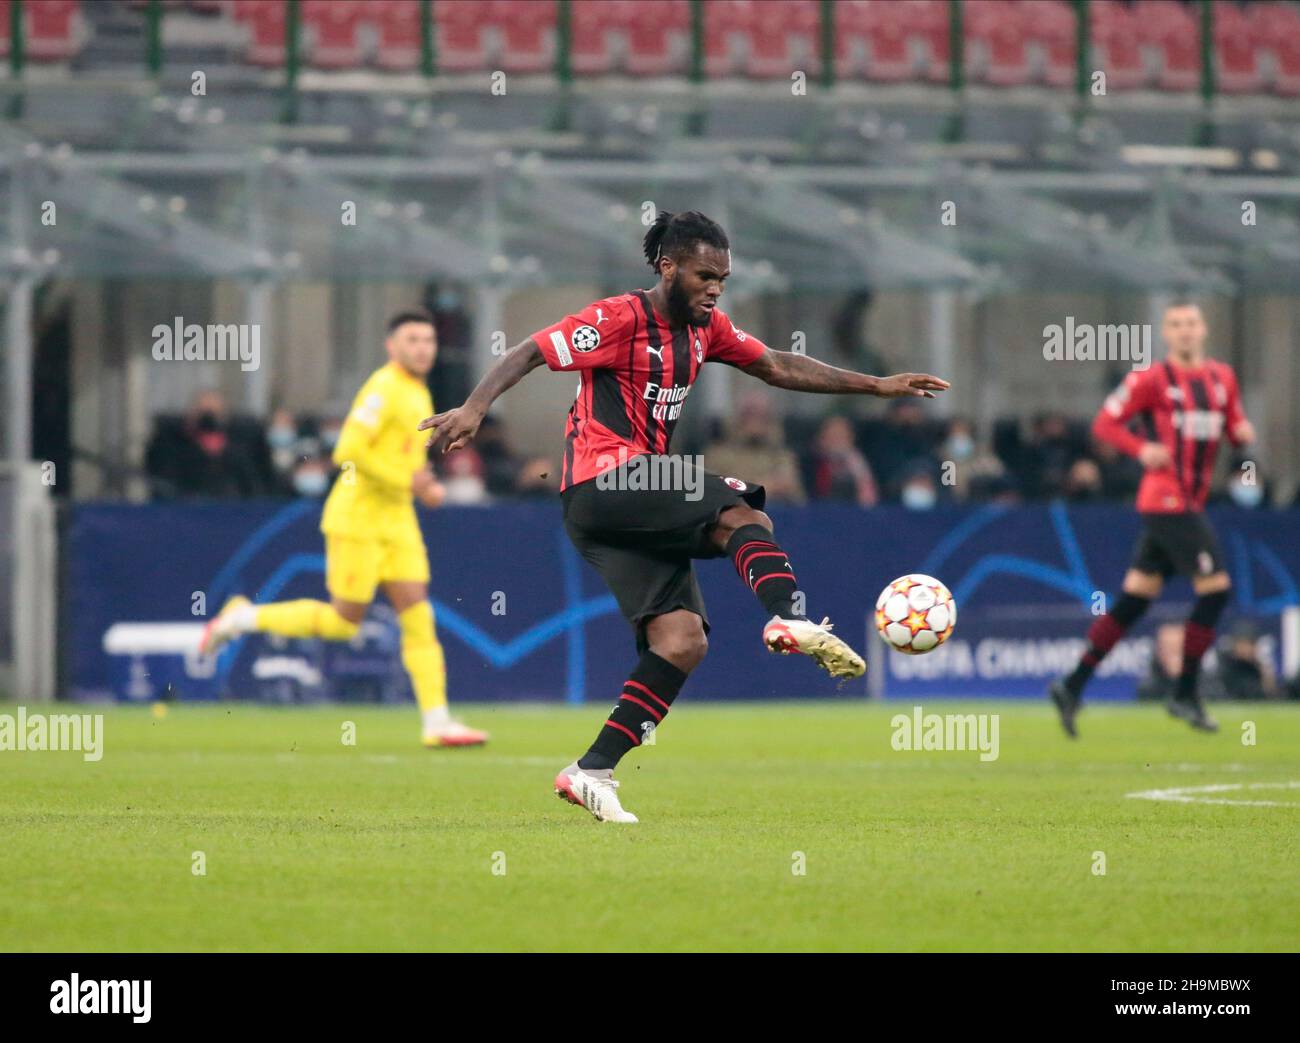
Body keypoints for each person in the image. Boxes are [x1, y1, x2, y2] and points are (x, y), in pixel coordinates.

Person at [418, 210, 948, 822]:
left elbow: (777, 364)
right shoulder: (616, 318)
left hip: (621, 508)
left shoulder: (707, 329)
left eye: (722, 277)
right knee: (741, 508)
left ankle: (591, 770)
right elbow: (529, 351)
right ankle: (789, 619)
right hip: (606, 478)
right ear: (667, 267)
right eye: (704, 275)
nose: (715, 288)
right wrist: (475, 408)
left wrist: (878, 387)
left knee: (681, 641)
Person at [197, 310, 488, 748]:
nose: (423, 347)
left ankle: (437, 721)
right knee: (342, 622)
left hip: (397, 520)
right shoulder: (383, 387)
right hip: (358, 519)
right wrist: (406, 479)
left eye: (428, 340)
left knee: (418, 615)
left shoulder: (417, 392)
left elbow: (399, 457)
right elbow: (348, 451)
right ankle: (242, 616)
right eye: (412, 339)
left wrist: (421, 483)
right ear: (392, 347)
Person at [1049, 300, 1256, 736]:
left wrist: (1241, 432)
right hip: (1166, 501)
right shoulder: (1152, 378)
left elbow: (1235, 423)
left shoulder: (1222, 379)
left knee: (1135, 600)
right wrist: (1140, 449)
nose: (1185, 330)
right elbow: (1106, 423)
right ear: (1166, 333)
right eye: (1176, 324)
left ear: (1203, 330)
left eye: (1191, 323)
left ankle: (1072, 684)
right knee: (1215, 590)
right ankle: (1184, 693)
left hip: (1190, 501)